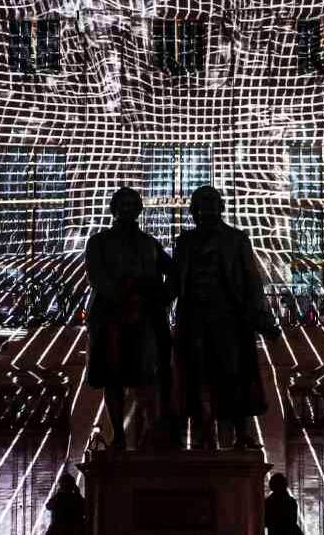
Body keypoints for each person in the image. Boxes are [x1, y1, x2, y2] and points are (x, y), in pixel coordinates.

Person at [171, 185, 281, 449]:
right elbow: (174, 281)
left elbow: (252, 281)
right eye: (201, 204)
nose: (206, 209)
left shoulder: (236, 239)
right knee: (197, 376)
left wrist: (264, 320)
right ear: (194, 211)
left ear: (221, 207)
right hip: (194, 319)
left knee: (234, 374)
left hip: (230, 319)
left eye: (212, 203)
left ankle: (242, 433)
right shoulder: (185, 242)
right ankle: (202, 434)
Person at [85, 186, 172, 449]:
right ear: (113, 209)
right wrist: (123, 298)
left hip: (144, 317)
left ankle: (151, 432)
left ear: (139, 210)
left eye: (132, 204)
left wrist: (162, 298)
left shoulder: (149, 243)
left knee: (147, 375)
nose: (127, 209)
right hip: (111, 318)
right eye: (122, 204)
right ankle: (119, 437)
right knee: (112, 377)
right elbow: (97, 276)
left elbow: (173, 271)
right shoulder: (99, 242)